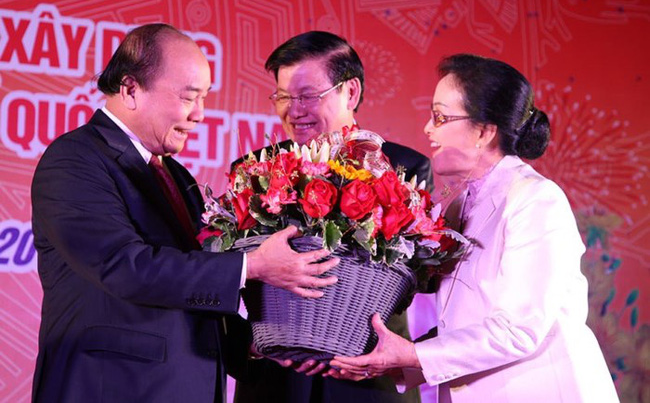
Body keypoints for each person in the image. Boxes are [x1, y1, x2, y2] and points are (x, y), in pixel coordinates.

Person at [30, 23, 339, 403]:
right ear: (129, 89)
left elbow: (191, 287)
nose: (200, 115)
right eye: (190, 97)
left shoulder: (175, 174)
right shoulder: (75, 159)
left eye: (205, 98)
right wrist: (251, 266)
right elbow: (125, 267)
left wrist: (262, 343)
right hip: (112, 388)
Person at [330, 54, 620, 403]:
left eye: (440, 117)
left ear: (484, 131)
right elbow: (463, 326)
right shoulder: (458, 204)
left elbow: (518, 330)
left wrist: (411, 356)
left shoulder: (536, 200)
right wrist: (396, 362)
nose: (427, 129)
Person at [232, 31, 430, 403]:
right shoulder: (252, 172)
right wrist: (257, 344)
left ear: (350, 92)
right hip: (275, 381)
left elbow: (414, 275)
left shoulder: (405, 169)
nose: (294, 110)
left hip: (366, 379)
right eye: (283, 97)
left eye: (307, 96)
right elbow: (231, 269)